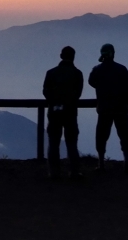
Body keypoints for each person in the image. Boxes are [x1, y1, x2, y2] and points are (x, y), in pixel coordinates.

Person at [87, 43, 128, 173]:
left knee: (101, 136)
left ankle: (101, 164)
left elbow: (91, 82)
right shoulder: (122, 69)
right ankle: (126, 163)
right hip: (121, 109)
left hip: (104, 109)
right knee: (125, 136)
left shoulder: (97, 70)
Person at [42, 45, 84, 179]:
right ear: (73, 57)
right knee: (72, 143)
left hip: (54, 112)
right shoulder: (77, 74)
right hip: (70, 112)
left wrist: (54, 101)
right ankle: (74, 172)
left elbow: (45, 91)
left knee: (53, 142)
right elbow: (78, 93)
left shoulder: (51, 73)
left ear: (61, 56)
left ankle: (54, 172)